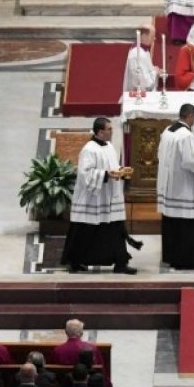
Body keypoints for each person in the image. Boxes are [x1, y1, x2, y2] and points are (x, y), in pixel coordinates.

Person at [60, 117, 137, 275]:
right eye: (109, 129)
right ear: (100, 132)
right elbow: (85, 174)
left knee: (116, 230)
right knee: (85, 231)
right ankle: (75, 262)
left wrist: (121, 171)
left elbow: (112, 167)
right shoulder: (89, 149)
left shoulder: (109, 146)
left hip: (109, 197)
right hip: (92, 199)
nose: (112, 131)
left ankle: (120, 263)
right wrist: (106, 175)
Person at [157, 104, 194, 269]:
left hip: (169, 186)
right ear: (190, 116)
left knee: (171, 222)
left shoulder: (167, 131)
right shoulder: (186, 135)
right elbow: (190, 162)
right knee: (185, 223)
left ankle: (170, 255)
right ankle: (186, 259)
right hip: (183, 187)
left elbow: (159, 154)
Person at [121, 24, 160, 93]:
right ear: (144, 36)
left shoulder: (143, 50)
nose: (154, 38)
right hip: (138, 96)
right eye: (152, 36)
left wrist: (153, 69)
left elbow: (144, 70)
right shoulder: (137, 54)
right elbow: (142, 83)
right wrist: (155, 72)